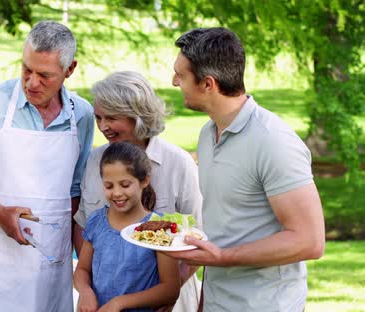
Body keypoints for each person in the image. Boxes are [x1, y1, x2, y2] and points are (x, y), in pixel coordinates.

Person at [164, 27, 325, 311]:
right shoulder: (207, 134)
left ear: (208, 84)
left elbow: (309, 240)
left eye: (181, 75)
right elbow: (223, 230)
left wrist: (223, 257)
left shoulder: (273, 142)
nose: (174, 81)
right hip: (217, 301)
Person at [0, 20, 94, 311]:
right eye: (26, 69)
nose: (31, 82)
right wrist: (0, 213)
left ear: (70, 69)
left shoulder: (82, 115)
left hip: (50, 264)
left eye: (45, 75)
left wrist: (86, 269)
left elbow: (76, 191)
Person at [73, 71, 203, 311]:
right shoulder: (95, 160)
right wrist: (90, 287)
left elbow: (198, 236)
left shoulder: (178, 163)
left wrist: (167, 294)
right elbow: (83, 225)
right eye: (99, 118)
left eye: (111, 118)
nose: (103, 127)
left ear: (138, 116)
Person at [73, 142, 180, 312]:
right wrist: (86, 292)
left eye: (125, 185)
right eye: (109, 186)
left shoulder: (158, 229)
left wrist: (120, 303)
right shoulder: (97, 222)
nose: (116, 193)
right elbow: (82, 270)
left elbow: (170, 289)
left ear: (144, 180)